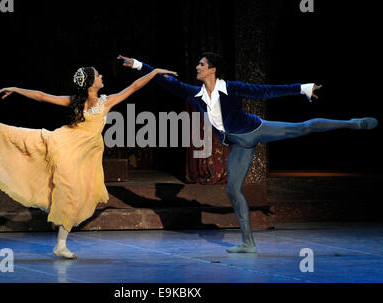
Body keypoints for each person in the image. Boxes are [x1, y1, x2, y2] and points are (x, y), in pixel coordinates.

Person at [118, 53, 378, 253]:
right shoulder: (195, 93)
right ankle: (248, 243)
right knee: (233, 190)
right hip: (238, 144)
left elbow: (265, 91)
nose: (197, 67)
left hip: (256, 130)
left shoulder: (232, 87)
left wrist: (302, 88)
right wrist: (139, 65)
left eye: (201, 64)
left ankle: (354, 123)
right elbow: (166, 81)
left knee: (303, 128)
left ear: (212, 69)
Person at [0, 64, 177, 259]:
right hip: (67, 152)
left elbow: (42, 96)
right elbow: (134, 86)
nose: (103, 76)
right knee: (66, 191)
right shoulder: (105, 102)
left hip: (63, 146)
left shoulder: (81, 100)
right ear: (92, 82)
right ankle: (60, 245)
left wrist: (16, 88)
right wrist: (154, 72)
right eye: (99, 75)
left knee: (18, 135)